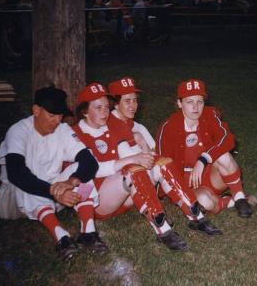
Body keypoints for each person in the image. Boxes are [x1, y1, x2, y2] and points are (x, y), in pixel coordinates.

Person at [72, 80, 221, 252]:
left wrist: (148, 159)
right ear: (84, 111)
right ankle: (163, 229)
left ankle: (195, 215)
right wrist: (133, 160)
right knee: (133, 170)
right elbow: (83, 173)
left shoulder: (113, 127)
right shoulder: (75, 134)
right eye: (98, 108)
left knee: (161, 163)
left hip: (124, 195)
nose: (105, 112)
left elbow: (128, 153)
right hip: (96, 200)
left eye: (106, 107)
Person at [0, 86, 107, 260]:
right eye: (52, 115)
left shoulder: (62, 129)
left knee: (81, 174)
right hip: (15, 200)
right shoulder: (18, 131)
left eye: (60, 115)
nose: (57, 121)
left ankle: (88, 232)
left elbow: (89, 162)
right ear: (36, 110)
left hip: (55, 195)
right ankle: (61, 237)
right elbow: (16, 174)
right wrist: (53, 192)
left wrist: (71, 182)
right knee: (27, 180)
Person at [157, 79, 256, 218]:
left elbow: (227, 138)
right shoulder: (168, 128)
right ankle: (229, 202)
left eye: (200, 101)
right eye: (190, 102)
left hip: (210, 173)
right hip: (187, 183)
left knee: (224, 155)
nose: (196, 107)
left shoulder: (210, 115)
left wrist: (203, 159)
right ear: (179, 103)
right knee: (204, 202)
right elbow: (163, 166)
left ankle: (239, 198)